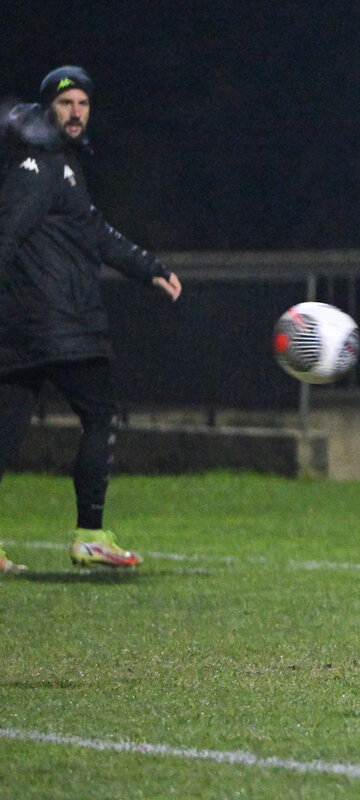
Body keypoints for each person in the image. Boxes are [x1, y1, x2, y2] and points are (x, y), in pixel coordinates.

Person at [0, 66, 182, 574]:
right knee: (100, 416)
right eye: (65, 104)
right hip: (58, 324)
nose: (76, 112)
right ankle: (91, 535)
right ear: (47, 109)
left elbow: (94, 231)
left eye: (82, 103)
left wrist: (148, 268)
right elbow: (7, 234)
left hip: (27, 327)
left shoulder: (63, 163)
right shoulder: (39, 166)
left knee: (5, 430)